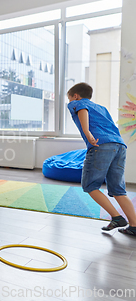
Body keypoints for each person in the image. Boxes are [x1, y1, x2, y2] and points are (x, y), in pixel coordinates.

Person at [67, 82, 136, 236]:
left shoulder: (77, 103)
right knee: (118, 189)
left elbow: (82, 108)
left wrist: (87, 132)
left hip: (101, 145)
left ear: (75, 96)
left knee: (90, 185)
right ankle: (134, 225)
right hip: (119, 146)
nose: (71, 102)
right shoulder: (102, 108)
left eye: (70, 98)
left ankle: (117, 217)